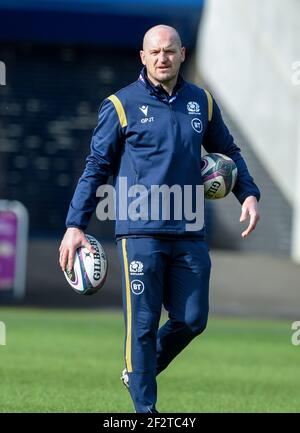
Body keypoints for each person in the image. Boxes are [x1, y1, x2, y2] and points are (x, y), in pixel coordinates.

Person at [59, 25, 260, 413]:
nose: (162, 58)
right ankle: (146, 411)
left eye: (169, 51)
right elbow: (97, 165)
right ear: (142, 56)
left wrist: (248, 192)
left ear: (183, 54)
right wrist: (75, 225)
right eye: (154, 52)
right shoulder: (119, 104)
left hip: (189, 230)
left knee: (192, 320)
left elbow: (228, 150)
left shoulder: (202, 102)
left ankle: (139, 371)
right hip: (140, 231)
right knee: (144, 324)